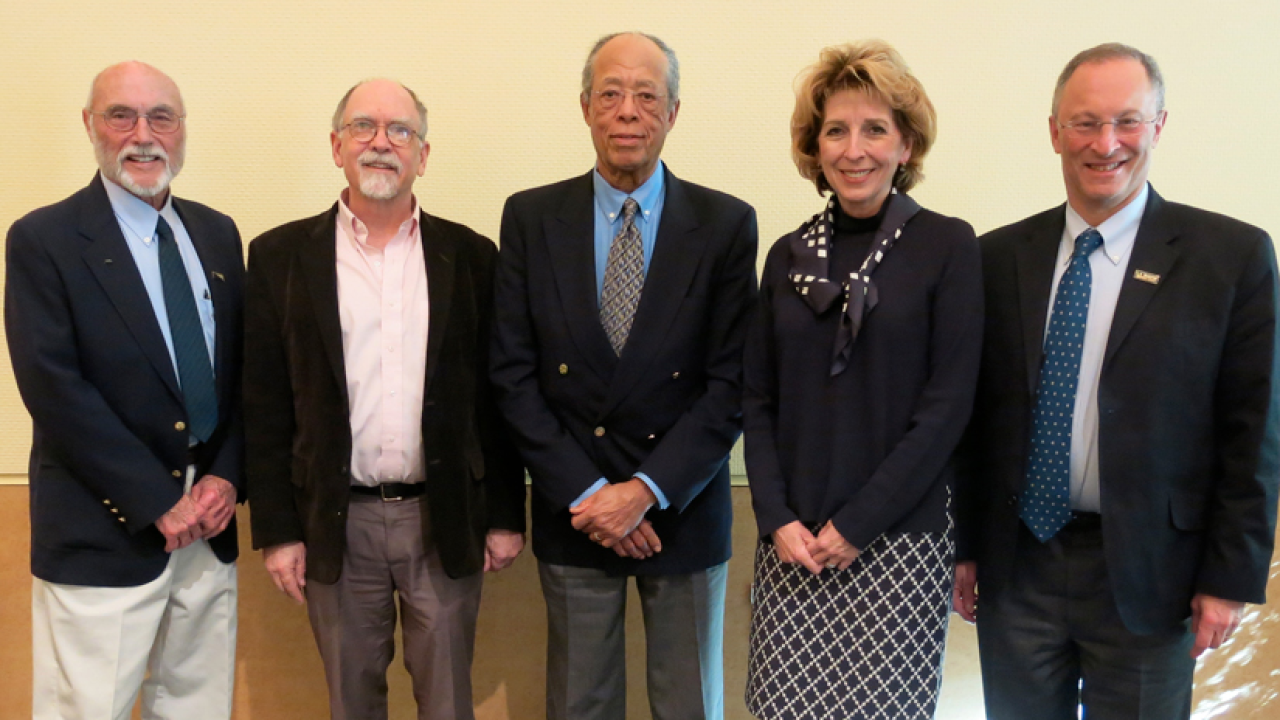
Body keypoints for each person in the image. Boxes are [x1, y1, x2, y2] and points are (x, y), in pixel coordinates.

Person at [955, 43, 1280, 719]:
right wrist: (965, 547)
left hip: (1152, 575)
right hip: (1019, 570)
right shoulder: (994, 257)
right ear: (1055, 132)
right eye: (1085, 122)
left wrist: (1229, 578)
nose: (1106, 144)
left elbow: (1255, 434)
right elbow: (974, 420)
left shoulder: (1231, 258)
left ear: (1158, 126)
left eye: (1127, 121)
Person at [490, 31, 758, 720]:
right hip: (575, 509)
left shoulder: (725, 224)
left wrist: (643, 492)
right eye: (610, 93)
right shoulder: (531, 217)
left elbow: (731, 384)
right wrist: (593, 497)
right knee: (579, 703)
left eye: (647, 95)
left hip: (682, 507)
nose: (628, 111)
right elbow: (513, 376)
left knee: (688, 705)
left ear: (674, 112)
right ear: (585, 107)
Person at [244, 78, 526, 720]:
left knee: (448, 703)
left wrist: (506, 515)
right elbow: (264, 404)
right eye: (363, 127)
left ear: (422, 155)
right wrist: (278, 532)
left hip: (443, 516)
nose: (381, 142)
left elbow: (497, 397)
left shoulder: (472, 256)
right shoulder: (280, 256)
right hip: (335, 521)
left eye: (400, 130)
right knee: (352, 703)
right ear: (336, 146)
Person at [741, 41, 982, 720]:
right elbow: (757, 400)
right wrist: (776, 517)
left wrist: (856, 524)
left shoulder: (948, 246)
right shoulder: (786, 255)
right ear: (814, 147)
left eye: (875, 129)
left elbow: (947, 409)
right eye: (836, 131)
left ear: (906, 145)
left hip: (899, 542)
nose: (854, 150)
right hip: (794, 547)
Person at [5, 61, 244, 720]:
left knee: (199, 709)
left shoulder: (217, 233)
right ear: (90, 125)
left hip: (208, 530)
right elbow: (54, 388)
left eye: (160, 117)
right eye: (121, 116)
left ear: (182, 129)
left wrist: (226, 475)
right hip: (103, 533)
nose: (143, 135)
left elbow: (241, 374)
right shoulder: (44, 240)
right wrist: (156, 500)